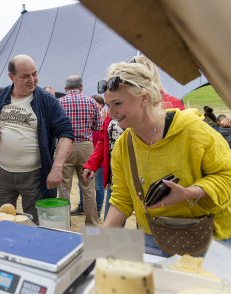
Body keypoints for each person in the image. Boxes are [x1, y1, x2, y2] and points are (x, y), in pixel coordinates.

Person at [99, 61, 231, 256]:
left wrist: (189, 193)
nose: (111, 113)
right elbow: (121, 199)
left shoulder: (195, 131)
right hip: (153, 239)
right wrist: (97, 243)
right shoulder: (123, 146)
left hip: (210, 240)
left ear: (144, 98)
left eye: (117, 104)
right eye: (108, 105)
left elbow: (226, 176)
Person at [0, 54, 73, 222]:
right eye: (25, 76)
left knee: (38, 222)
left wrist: (57, 168)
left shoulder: (47, 101)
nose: (32, 79)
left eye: (34, 74)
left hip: (35, 175)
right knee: (1, 220)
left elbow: (66, 132)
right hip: (2, 173)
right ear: (11, 76)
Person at [57, 76, 102, 224]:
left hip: (65, 146)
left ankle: (64, 223)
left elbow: (54, 127)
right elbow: (97, 126)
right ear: (81, 87)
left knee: (64, 188)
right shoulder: (91, 102)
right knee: (88, 189)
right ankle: (92, 224)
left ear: (65, 89)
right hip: (85, 147)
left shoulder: (59, 102)